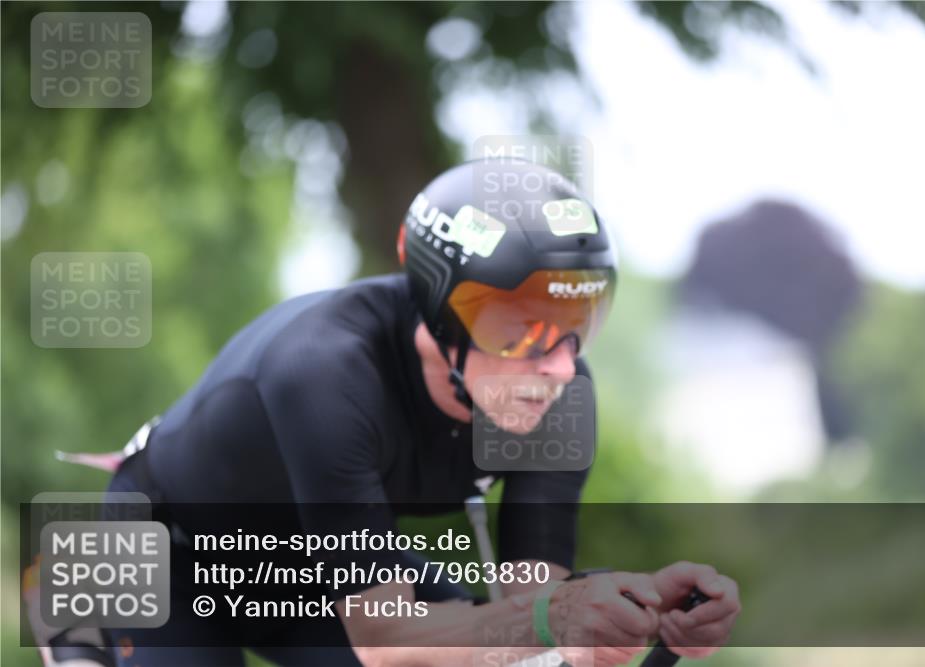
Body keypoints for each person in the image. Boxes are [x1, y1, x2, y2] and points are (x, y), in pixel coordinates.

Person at [93, 159, 739, 666]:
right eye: (520, 331)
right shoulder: (328, 371)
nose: (560, 367)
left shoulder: (560, 395)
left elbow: (533, 618)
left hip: (312, 567)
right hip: (160, 550)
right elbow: (386, 641)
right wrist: (555, 620)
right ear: (441, 313)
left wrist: (648, 609)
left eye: (577, 326)